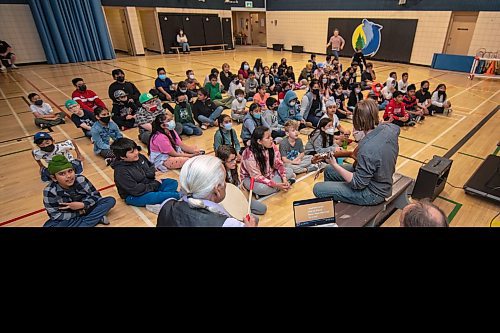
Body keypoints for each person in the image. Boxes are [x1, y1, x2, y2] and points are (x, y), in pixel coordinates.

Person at [313, 99, 400, 205]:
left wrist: (335, 164)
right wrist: (324, 156)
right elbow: (354, 154)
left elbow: (357, 183)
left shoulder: (368, 148)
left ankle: (339, 204)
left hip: (373, 193)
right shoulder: (390, 129)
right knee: (328, 170)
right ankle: (337, 201)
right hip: (381, 180)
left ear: (358, 120)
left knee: (318, 188)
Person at [157, 155, 258, 227]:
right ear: (217, 190)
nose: (226, 184)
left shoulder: (166, 205)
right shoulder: (228, 224)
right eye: (224, 181)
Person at [43, 155, 116, 227]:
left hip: (87, 208)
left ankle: (87, 222)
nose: (68, 176)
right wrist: (79, 213)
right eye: (62, 174)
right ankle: (95, 219)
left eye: (70, 171)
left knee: (110, 200)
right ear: (54, 178)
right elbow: (55, 215)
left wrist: (83, 205)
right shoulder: (49, 191)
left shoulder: (81, 179)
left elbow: (96, 196)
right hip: (69, 216)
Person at [110, 138, 180, 207]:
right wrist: (155, 184)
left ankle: (162, 200)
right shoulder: (121, 172)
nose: (136, 152)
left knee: (172, 182)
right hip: (134, 195)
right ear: (122, 157)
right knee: (171, 195)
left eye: (135, 149)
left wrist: (151, 176)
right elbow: (136, 190)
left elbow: (151, 166)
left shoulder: (139, 157)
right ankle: (168, 197)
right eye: (132, 152)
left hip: (150, 185)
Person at [241, 126, 295, 198]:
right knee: (262, 188)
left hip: (270, 174)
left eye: (271, 136)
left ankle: (277, 186)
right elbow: (256, 176)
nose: (271, 139)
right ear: (259, 141)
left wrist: (284, 179)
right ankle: (279, 186)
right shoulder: (249, 154)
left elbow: (278, 163)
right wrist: (276, 185)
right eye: (268, 137)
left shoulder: (272, 145)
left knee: (289, 171)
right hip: (252, 179)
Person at [216, 145, 267, 216]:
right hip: (227, 204)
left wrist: (240, 186)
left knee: (262, 208)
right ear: (223, 161)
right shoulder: (218, 175)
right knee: (253, 218)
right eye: (231, 160)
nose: (235, 162)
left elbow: (236, 186)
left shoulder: (233, 168)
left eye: (235, 158)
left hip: (237, 199)